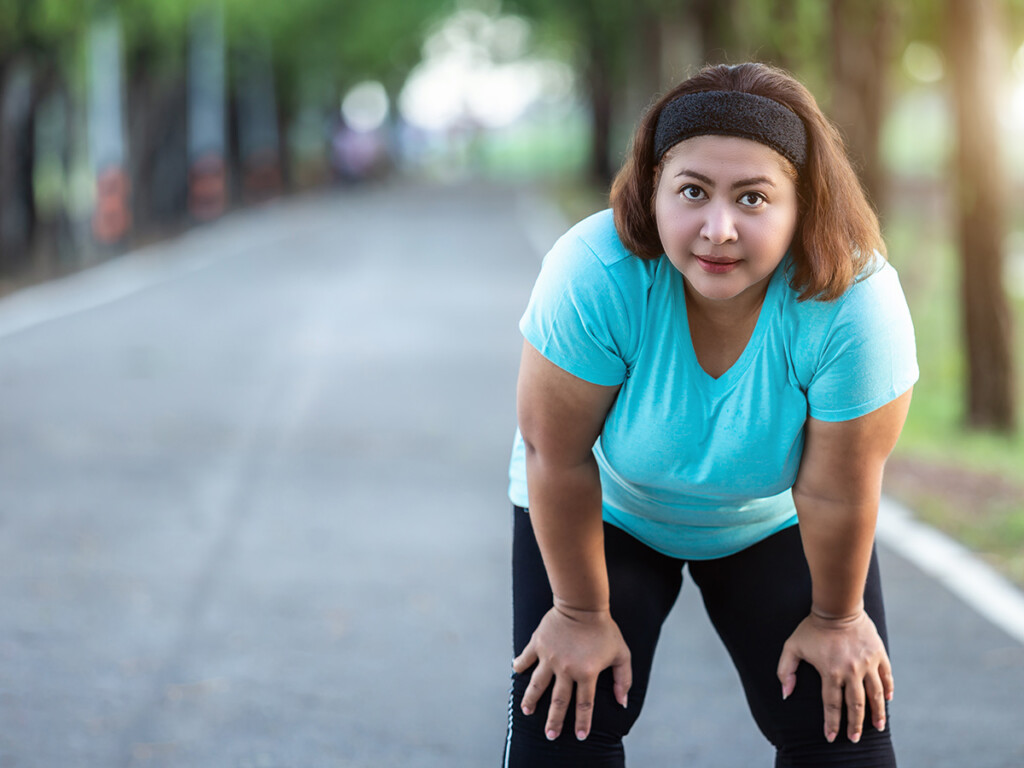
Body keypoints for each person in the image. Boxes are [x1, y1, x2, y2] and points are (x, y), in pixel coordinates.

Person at [503, 61, 918, 768]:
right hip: (608, 509)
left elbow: (837, 488)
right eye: (692, 191)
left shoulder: (854, 300)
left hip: (772, 520)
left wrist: (838, 619)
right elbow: (556, 453)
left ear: (802, 205)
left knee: (844, 732)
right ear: (653, 190)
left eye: (753, 198)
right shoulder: (596, 271)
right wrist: (578, 614)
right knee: (565, 722)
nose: (717, 229)